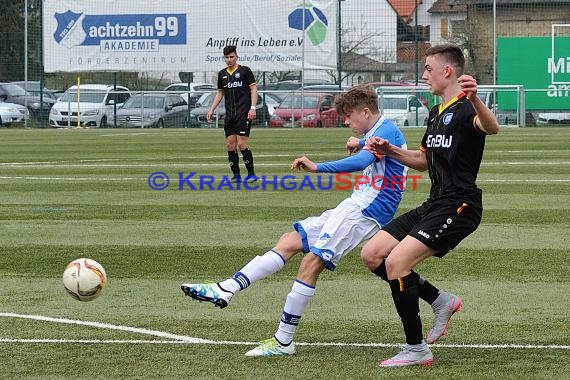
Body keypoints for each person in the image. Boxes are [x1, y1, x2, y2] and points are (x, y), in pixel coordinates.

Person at [182, 85, 453, 357]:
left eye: (348, 116)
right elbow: (371, 147)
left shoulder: (387, 129)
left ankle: (283, 340)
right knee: (290, 241)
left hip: (366, 211)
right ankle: (227, 288)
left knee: (311, 261)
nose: (346, 122)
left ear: (366, 112)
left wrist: (318, 167)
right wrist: (357, 141)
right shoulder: (376, 132)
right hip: (354, 205)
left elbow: (362, 162)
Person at [361, 44, 500, 368]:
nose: (424, 75)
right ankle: (440, 300)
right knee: (372, 254)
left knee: (396, 264)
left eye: (427, 69)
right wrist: (390, 149)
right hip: (435, 202)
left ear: (447, 71)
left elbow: (492, 128)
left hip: (460, 204)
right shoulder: (436, 113)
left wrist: (476, 98)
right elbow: (423, 161)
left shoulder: (467, 108)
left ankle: (416, 348)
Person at [207, 45, 258, 183]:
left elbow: (253, 89)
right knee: (230, 145)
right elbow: (220, 92)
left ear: (236, 57)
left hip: (243, 113)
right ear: (224, 58)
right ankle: (236, 175)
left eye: (232, 57)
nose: (229, 60)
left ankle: (251, 174)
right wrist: (211, 109)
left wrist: (252, 107)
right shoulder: (222, 74)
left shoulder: (245, 71)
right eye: (227, 57)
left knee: (241, 144)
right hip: (230, 115)